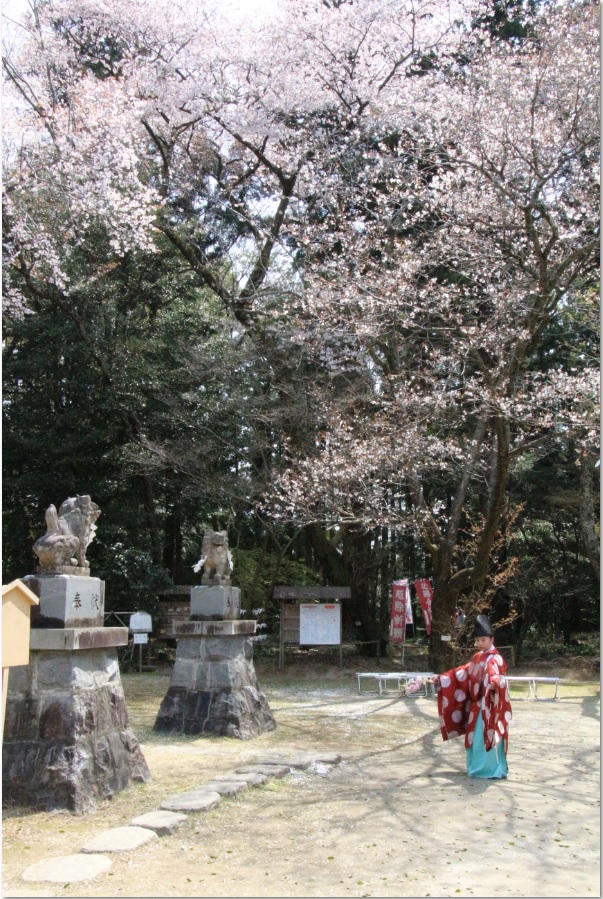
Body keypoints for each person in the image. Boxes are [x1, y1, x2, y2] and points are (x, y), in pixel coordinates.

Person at [430, 614, 512, 779]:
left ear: (491, 639)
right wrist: (442, 678)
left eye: (483, 640)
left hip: (490, 706)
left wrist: (495, 682)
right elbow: (462, 673)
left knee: (486, 737)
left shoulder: (495, 659)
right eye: (478, 640)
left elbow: (495, 674)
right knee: (475, 739)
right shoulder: (477, 657)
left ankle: (492, 769)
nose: (480, 643)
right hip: (477, 706)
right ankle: (476, 768)